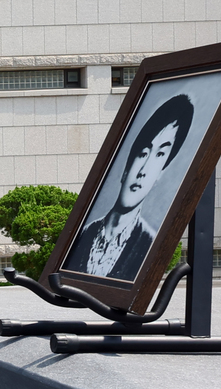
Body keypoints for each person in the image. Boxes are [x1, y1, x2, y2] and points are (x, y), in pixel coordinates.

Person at [66, 93, 195, 281]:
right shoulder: (85, 233)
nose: (143, 171)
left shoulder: (149, 243)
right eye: (143, 153)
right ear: (127, 166)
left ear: (161, 173)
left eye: (160, 155)